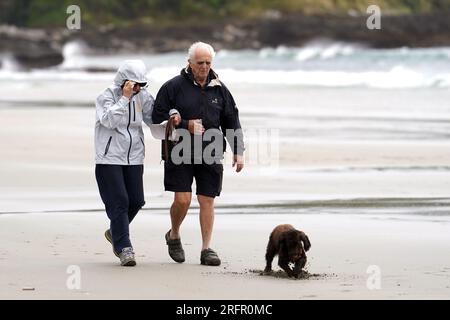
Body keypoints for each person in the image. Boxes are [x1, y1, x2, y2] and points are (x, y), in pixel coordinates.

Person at [152, 42, 245, 266]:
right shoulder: (172, 87)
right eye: (200, 63)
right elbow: (156, 116)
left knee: (207, 200)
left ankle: (206, 249)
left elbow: (232, 120)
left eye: (208, 63)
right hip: (179, 150)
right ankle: (174, 234)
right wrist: (184, 123)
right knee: (182, 200)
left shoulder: (220, 88)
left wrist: (238, 151)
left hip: (211, 152)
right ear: (190, 63)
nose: (204, 67)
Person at [95, 60, 154, 266]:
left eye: (142, 85)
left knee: (137, 200)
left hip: (135, 156)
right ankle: (124, 248)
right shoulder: (106, 96)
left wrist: (172, 117)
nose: (138, 89)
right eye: (134, 84)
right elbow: (108, 120)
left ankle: (115, 232)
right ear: (124, 81)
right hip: (109, 157)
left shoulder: (142, 96)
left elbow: (153, 119)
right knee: (119, 201)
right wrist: (125, 98)